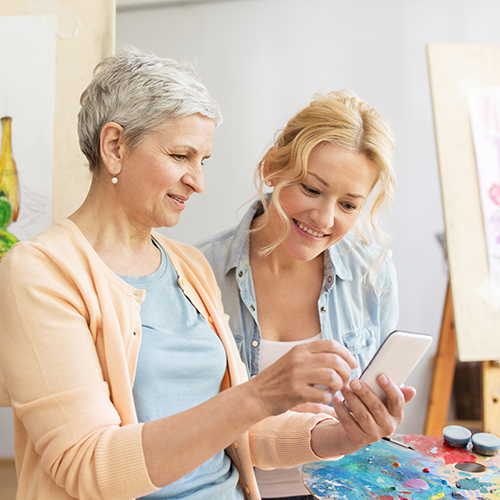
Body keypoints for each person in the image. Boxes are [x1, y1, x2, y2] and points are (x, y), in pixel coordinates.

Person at [0, 47, 415, 500]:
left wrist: (342, 436)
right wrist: (258, 394)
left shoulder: (188, 267)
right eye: (181, 156)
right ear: (115, 147)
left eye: (204, 161)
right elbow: (87, 465)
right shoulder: (41, 271)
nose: (198, 182)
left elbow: (244, 433)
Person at [197, 90, 402, 500]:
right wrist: (271, 414)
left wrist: (376, 421)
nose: (324, 219)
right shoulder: (198, 272)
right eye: (310, 189)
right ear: (273, 167)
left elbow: (376, 411)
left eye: (348, 204)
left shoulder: (372, 275)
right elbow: (181, 426)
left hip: (345, 488)